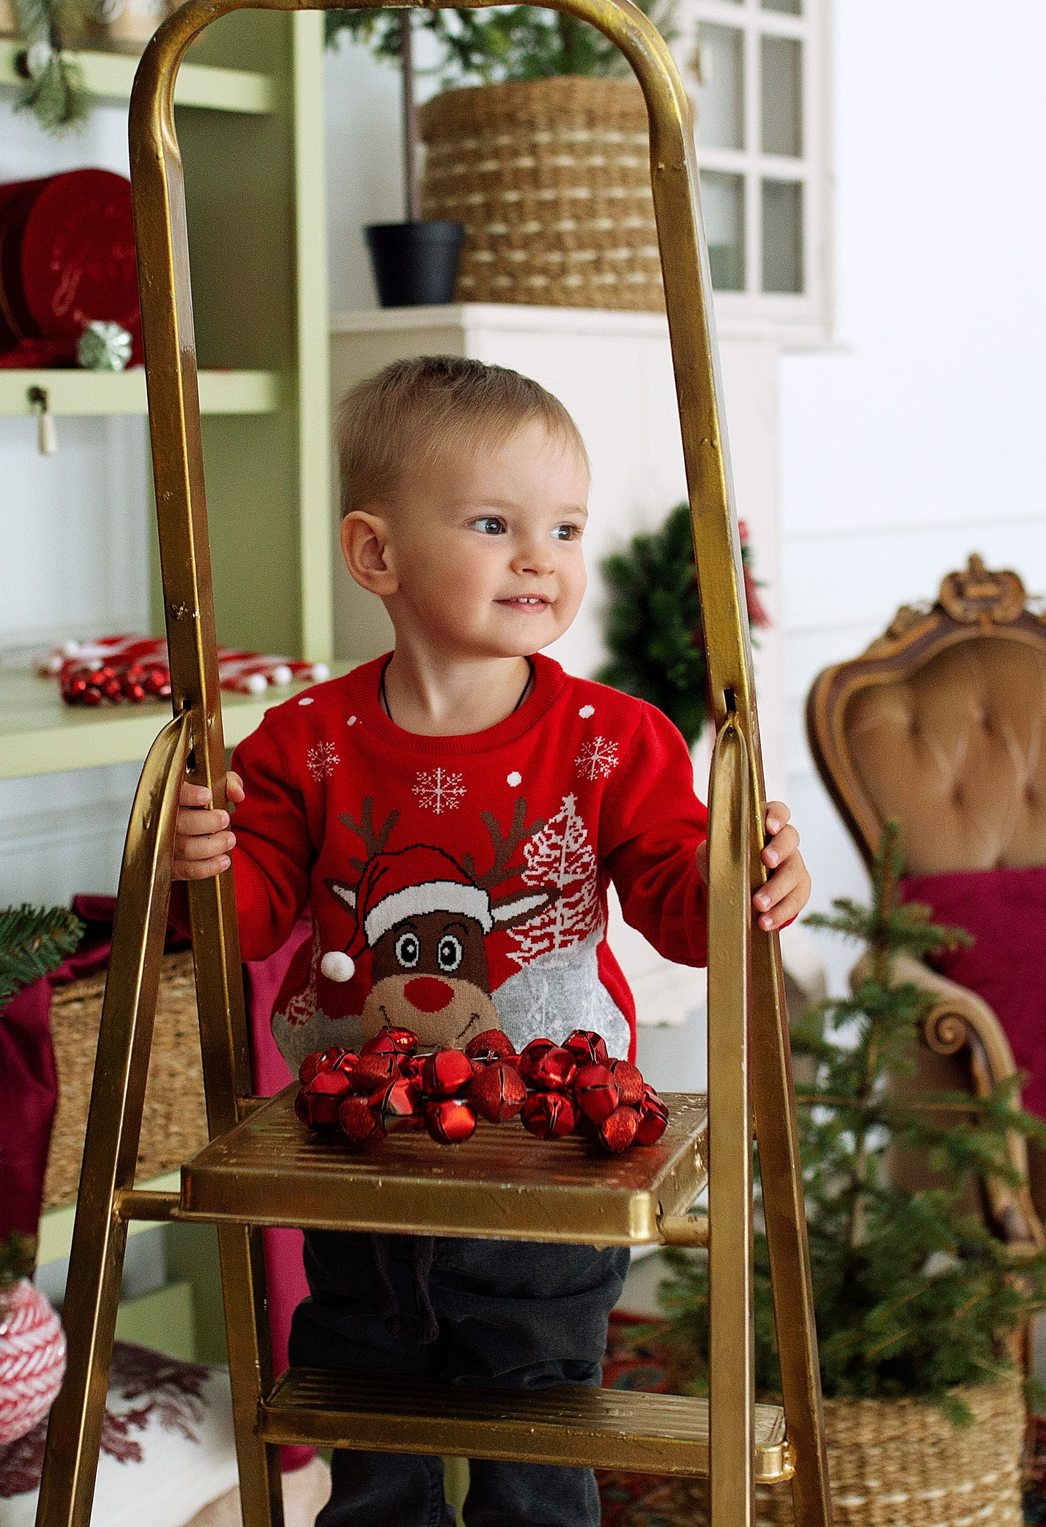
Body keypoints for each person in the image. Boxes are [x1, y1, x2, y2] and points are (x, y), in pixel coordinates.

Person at [168, 353, 811, 1527]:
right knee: (373, 1430)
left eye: (563, 526)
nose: (542, 558)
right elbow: (249, 912)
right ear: (377, 555)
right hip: (360, 1159)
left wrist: (741, 879)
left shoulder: (611, 741)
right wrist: (201, 864)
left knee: (533, 1432)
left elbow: (677, 902)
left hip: (554, 1160)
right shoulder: (304, 742)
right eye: (492, 522)